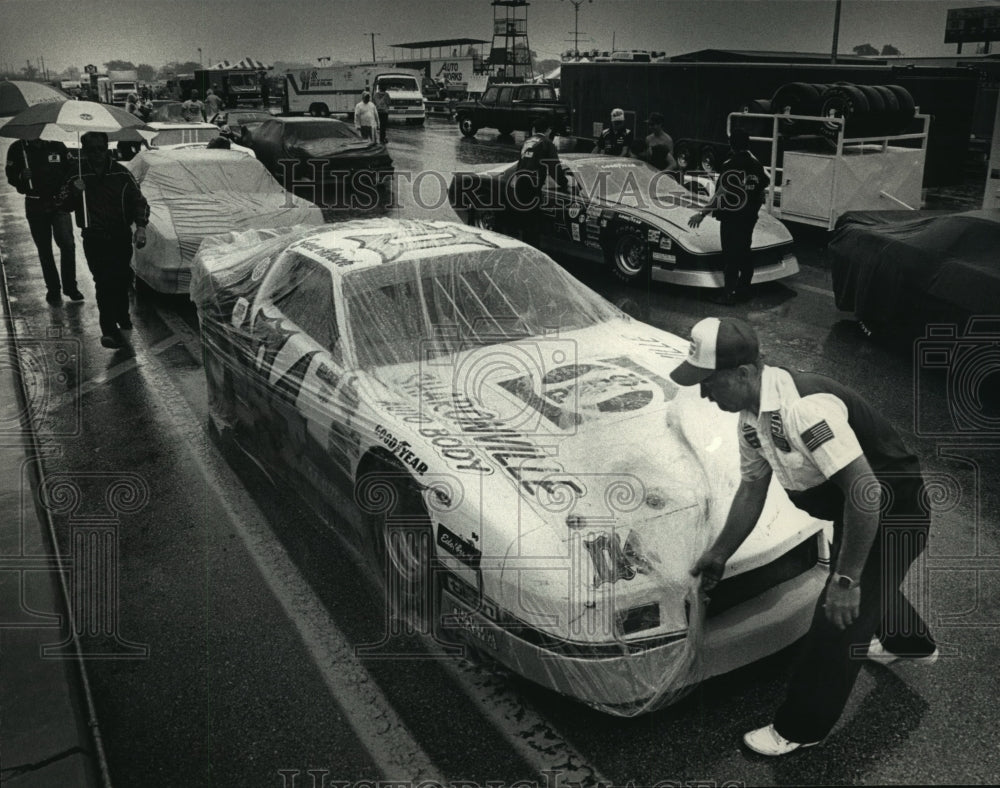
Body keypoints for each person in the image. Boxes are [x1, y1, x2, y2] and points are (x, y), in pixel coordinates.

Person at [672, 316, 938, 757]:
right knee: (864, 580)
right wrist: (719, 553)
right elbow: (752, 489)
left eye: (708, 381)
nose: (703, 392)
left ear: (743, 373)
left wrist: (846, 581)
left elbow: (865, 492)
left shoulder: (804, 409)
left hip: (891, 511)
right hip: (858, 508)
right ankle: (911, 643)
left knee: (838, 616)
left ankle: (801, 726)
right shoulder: (750, 418)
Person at [58, 131, 149, 349]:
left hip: (119, 235)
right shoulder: (76, 174)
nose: (96, 154)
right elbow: (62, 204)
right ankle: (108, 330)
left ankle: (122, 314)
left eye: (100, 148)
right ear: (84, 151)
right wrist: (73, 191)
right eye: (91, 149)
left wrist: (141, 228)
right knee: (103, 282)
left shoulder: (121, 174)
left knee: (121, 278)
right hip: (94, 237)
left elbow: (139, 202)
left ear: (107, 148)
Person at [687, 128, 770, 305]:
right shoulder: (757, 165)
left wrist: (702, 214)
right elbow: (762, 193)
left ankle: (728, 294)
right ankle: (744, 290)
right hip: (748, 217)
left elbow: (720, 194)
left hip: (732, 217)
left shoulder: (729, 165)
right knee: (745, 251)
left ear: (731, 145)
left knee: (731, 255)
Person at [4, 137, 83, 304]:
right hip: (35, 204)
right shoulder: (18, 149)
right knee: (44, 249)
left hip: (59, 204)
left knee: (68, 245)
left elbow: (72, 168)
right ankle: (53, 289)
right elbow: (11, 176)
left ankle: (70, 287)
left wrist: (71, 187)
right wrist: (21, 176)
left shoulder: (57, 145)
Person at [501, 114, 573, 249]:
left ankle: (519, 245)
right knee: (533, 224)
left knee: (523, 220)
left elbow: (521, 162)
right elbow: (554, 168)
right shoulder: (547, 143)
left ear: (535, 129)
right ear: (548, 130)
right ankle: (532, 251)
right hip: (532, 186)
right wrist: (565, 185)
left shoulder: (527, 142)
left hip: (520, 183)